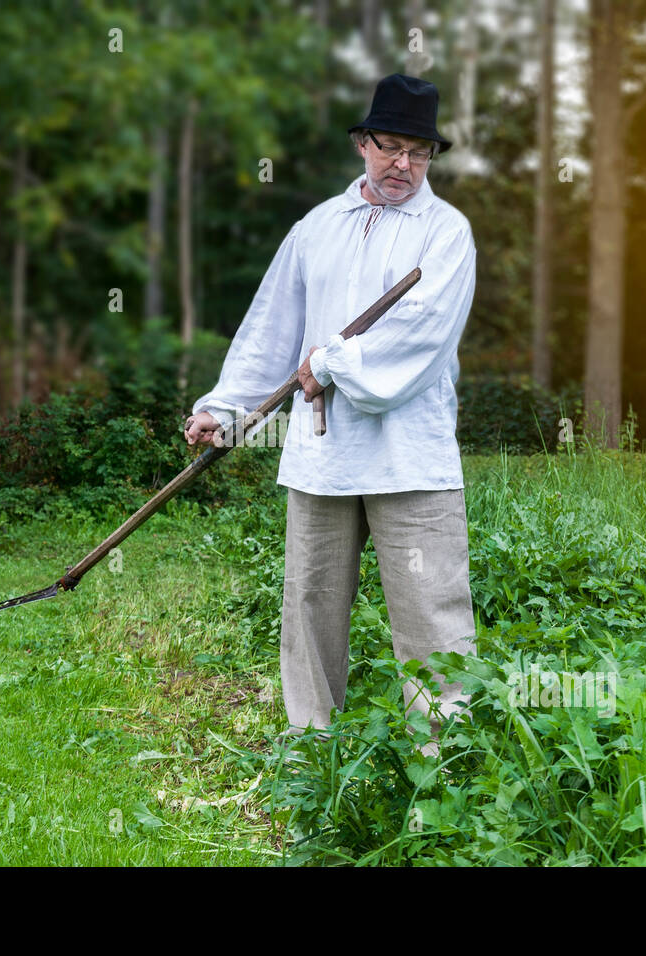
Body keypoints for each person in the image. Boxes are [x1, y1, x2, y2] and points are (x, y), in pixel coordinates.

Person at [183, 74, 477, 757]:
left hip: (412, 458)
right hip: (322, 456)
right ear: (361, 144)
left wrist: (332, 363)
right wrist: (224, 409)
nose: (403, 164)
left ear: (431, 158)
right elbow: (271, 329)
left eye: (420, 151)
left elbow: (422, 337)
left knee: (433, 616)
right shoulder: (315, 227)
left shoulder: (446, 234)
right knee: (309, 612)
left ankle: (447, 768)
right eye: (390, 146)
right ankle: (311, 755)